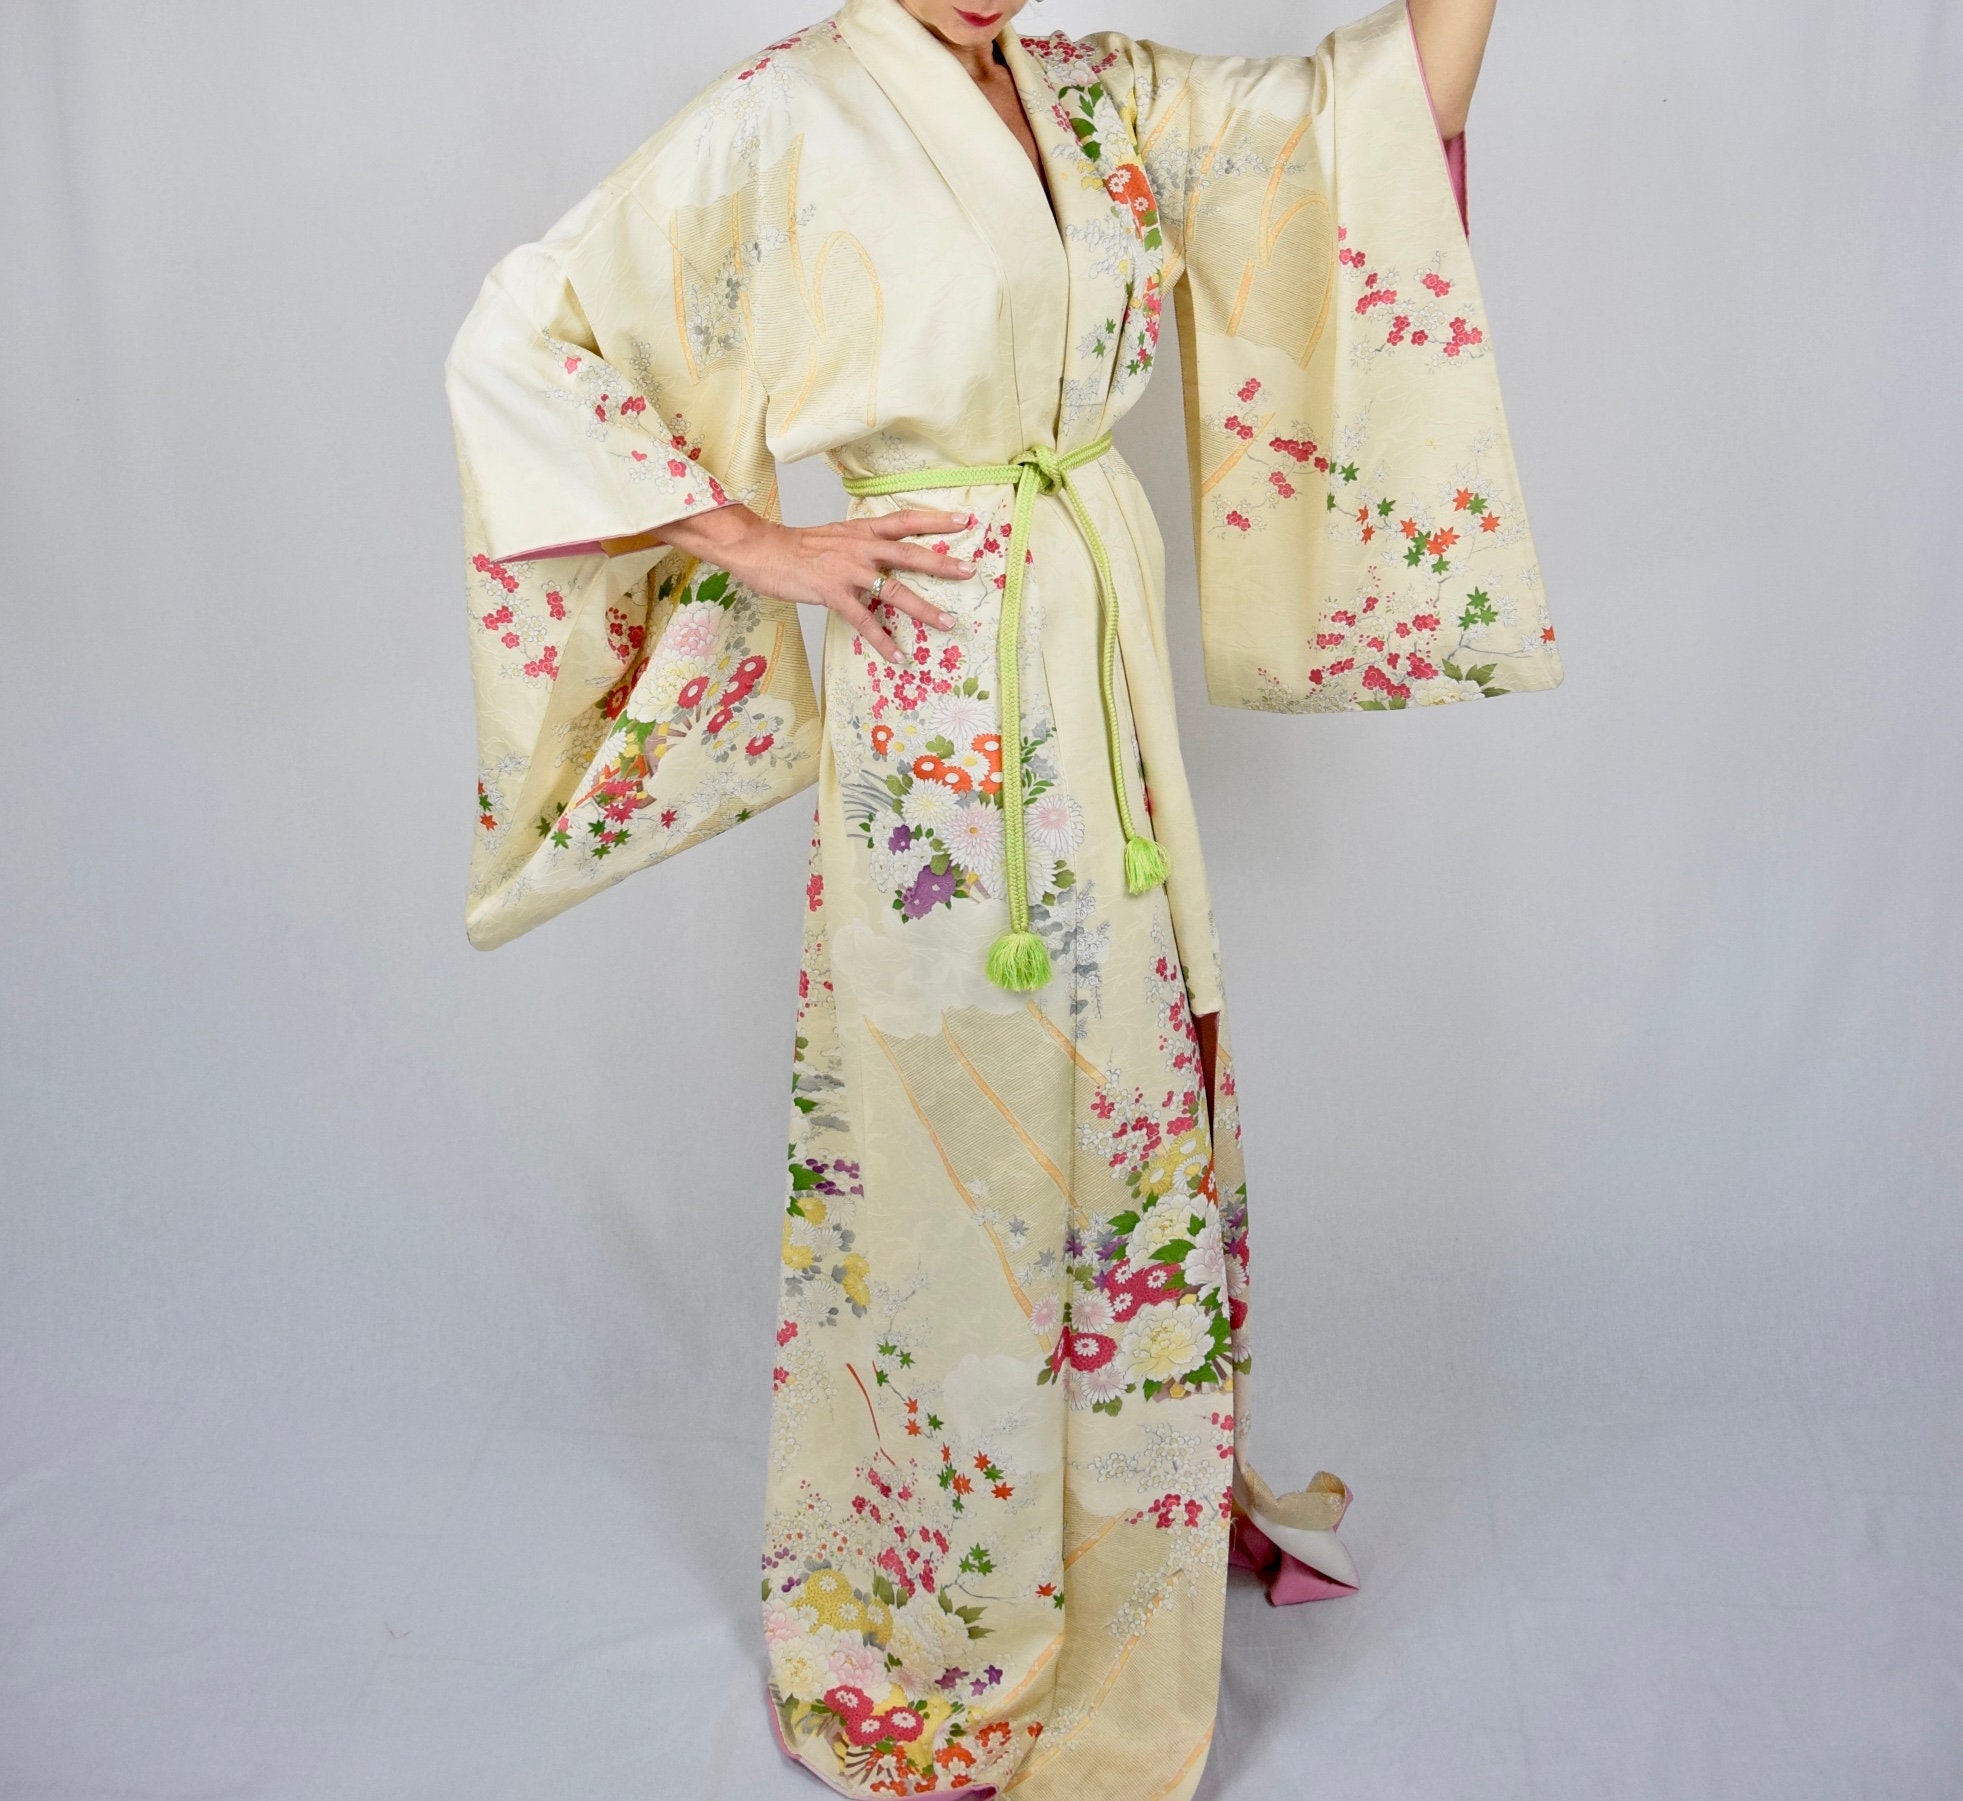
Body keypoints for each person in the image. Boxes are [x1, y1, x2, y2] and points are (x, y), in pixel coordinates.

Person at [444, 0, 1559, 1791]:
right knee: (956, 1144)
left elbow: (1364, 128)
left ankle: (1126, 1558)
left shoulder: (1096, 96)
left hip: (1094, 670)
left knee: (1125, 1108)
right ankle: (951, 1603)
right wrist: (763, 544)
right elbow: (529, 336)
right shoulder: (789, 114)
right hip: (938, 700)